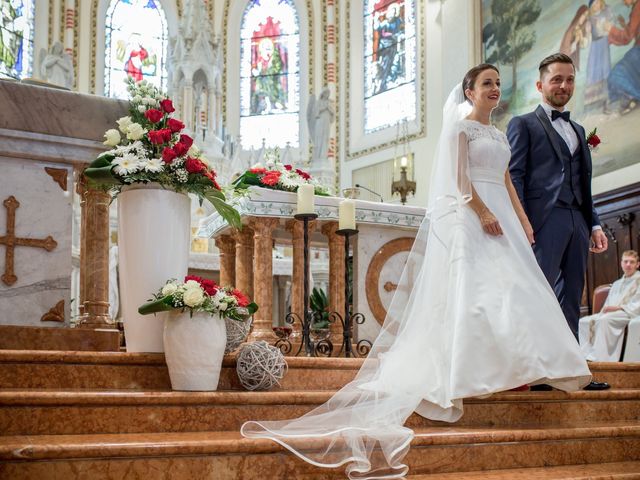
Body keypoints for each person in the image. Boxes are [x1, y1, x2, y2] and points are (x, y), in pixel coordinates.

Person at [241, 64, 592, 480]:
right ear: (469, 91)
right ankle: (468, 370)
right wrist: (481, 212)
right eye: (487, 84)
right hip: (471, 215)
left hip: (504, 216)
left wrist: (522, 219)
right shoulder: (459, 129)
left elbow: (507, 182)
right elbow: (461, 181)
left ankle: (520, 368)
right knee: (476, 293)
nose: (495, 89)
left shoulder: (498, 135)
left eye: (498, 84)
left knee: (517, 291)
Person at [507, 53, 610, 392]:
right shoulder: (523, 124)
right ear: (540, 85)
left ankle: (571, 372)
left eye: (569, 80)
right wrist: (522, 222)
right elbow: (515, 176)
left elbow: (585, 183)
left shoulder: (579, 130)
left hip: (576, 221)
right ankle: (535, 370)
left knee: (571, 299)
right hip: (541, 222)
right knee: (538, 294)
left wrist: (593, 224)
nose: (564, 85)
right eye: (556, 79)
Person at [579, 250, 640, 361]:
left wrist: (619, 308)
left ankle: (601, 358)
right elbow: (608, 304)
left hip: (629, 312)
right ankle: (584, 356)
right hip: (613, 313)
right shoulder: (617, 283)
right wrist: (606, 310)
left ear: (637, 264)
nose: (628, 265)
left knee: (605, 320)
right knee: (584, 321)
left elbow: (637, 304)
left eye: (632, 262)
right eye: (626, 261)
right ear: (621, 263)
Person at [607, 0, 640, 115]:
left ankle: (631, 96)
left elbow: (627, 37)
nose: (623, 1)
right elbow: (632, 31)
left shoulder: (638, 7)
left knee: (616, 73)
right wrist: (624, 25)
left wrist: (610, 29)